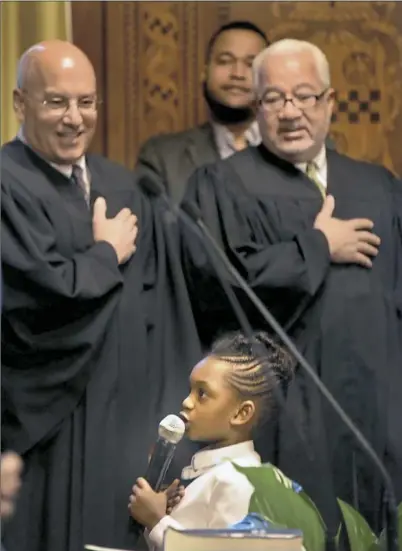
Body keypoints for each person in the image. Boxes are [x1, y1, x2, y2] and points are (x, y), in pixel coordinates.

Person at [179, 39, 402, 533]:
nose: (290, 111)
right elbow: (221, 282)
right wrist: (318, 246)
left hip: (378, 405)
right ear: (256, 107)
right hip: (292, 412)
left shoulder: (377, 185)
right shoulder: (221, 185)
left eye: (305, 96)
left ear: (330, 101)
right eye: (274, 99)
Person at [1, 40, 201, 551]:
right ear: (20, 103)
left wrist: (166, 427)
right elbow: (30, 300)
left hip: (125, 422)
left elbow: (163, 310)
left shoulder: (125, 187)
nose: (74, 118)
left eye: (86, 102)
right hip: (46, 429)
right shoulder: (7, 184)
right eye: (55, 102)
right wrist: (105, 256)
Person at [128, 332, 294, 550]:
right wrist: (160, 515)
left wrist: (158, 522)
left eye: (202, 394)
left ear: (241, 413)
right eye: (191, 391)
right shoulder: (215, 475)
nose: (187, 402)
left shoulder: (239, 481)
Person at [136, 21, 269, 203]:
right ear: (204, 72)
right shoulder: (161, 158)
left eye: (251, 64)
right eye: (225, 61)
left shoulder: (295, 152)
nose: (237, 73)